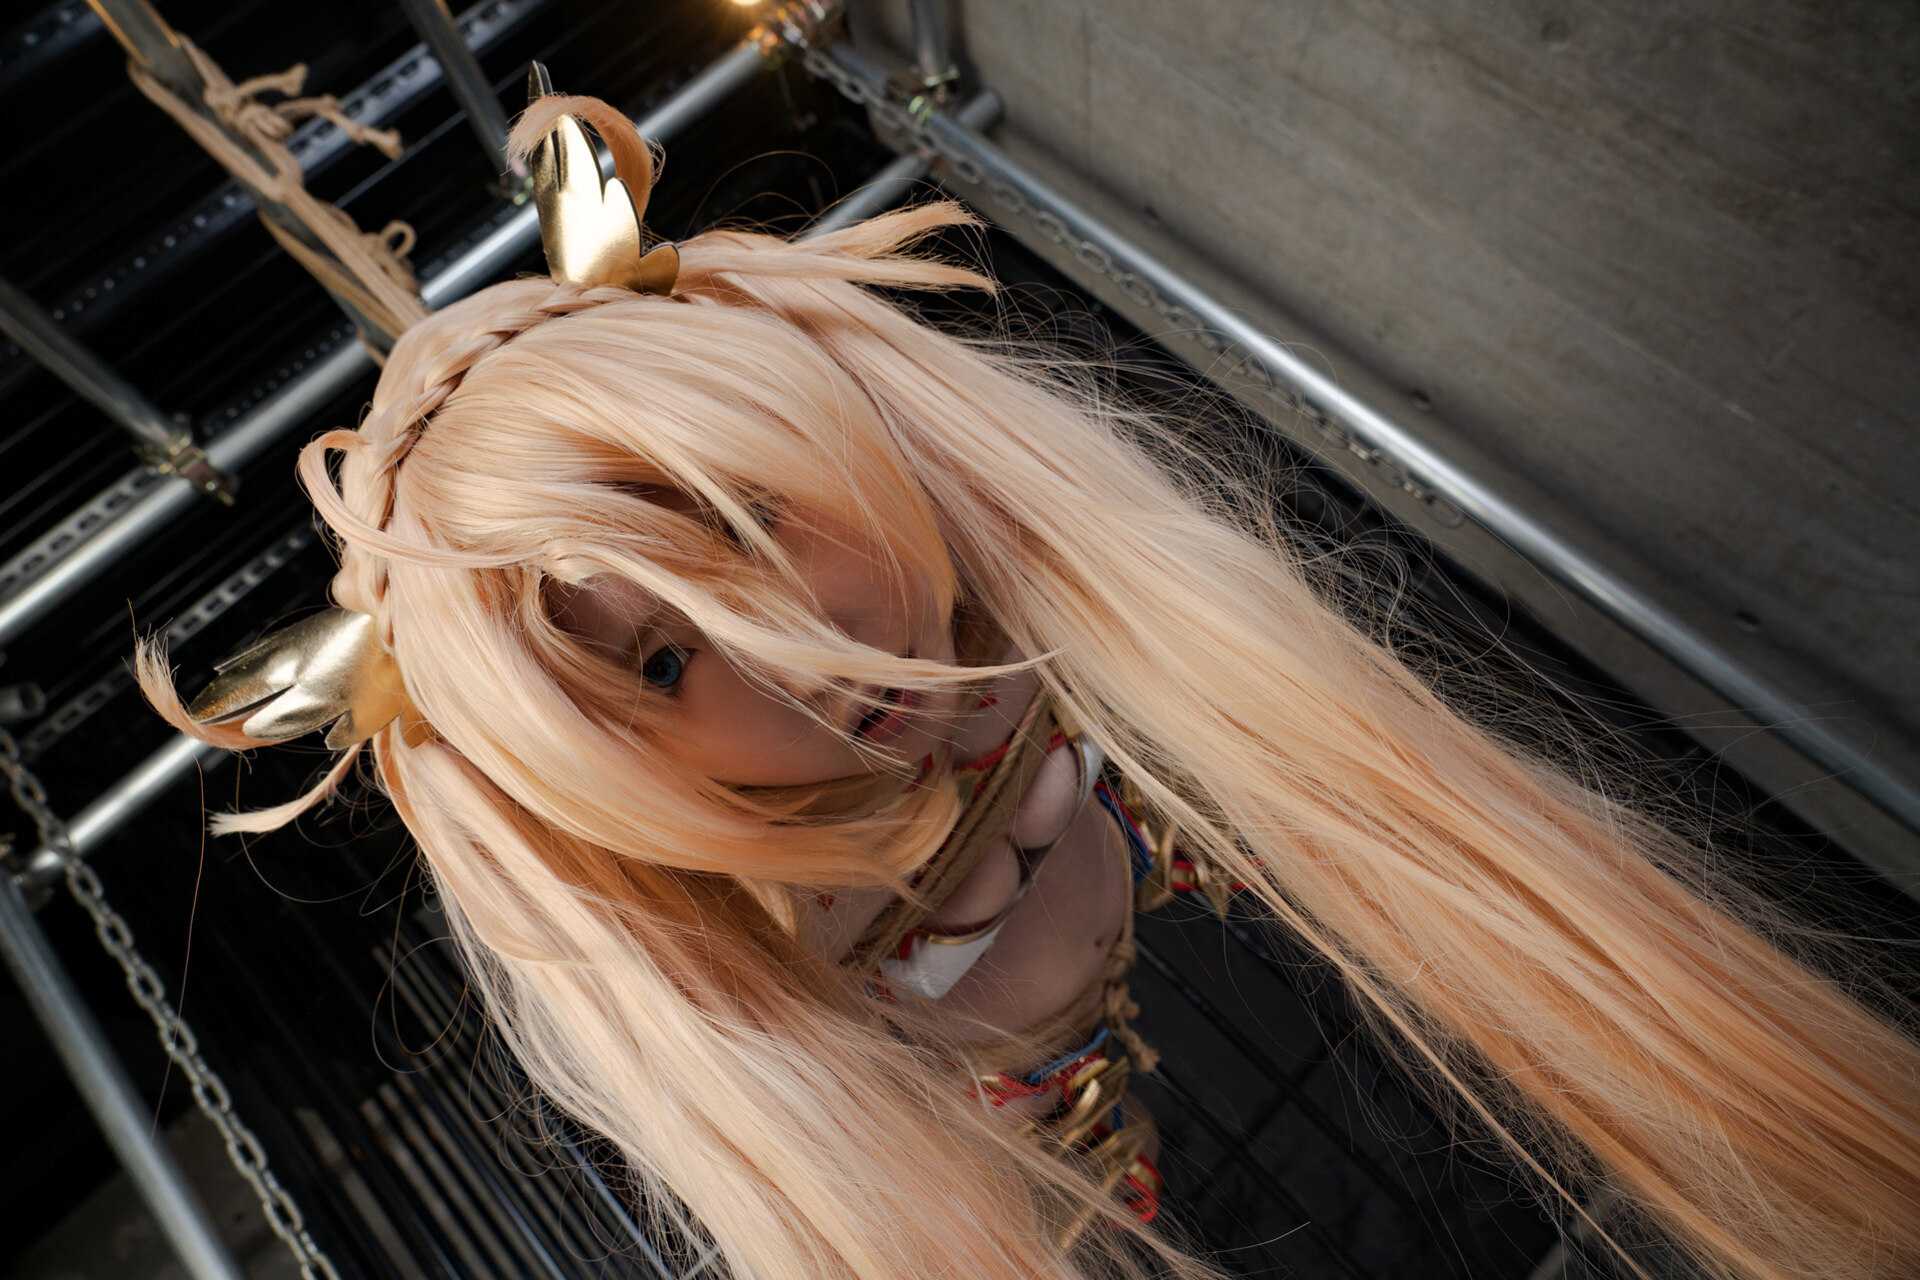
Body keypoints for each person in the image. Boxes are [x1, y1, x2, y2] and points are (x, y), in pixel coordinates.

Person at [137, 83, 1920, 1280]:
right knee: (1098, 1180)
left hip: (1146, 844)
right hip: (1032, 1086)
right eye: (662, 662)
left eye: (755, 518)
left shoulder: (1041, 596)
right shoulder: (739, 952)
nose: (796, 657)